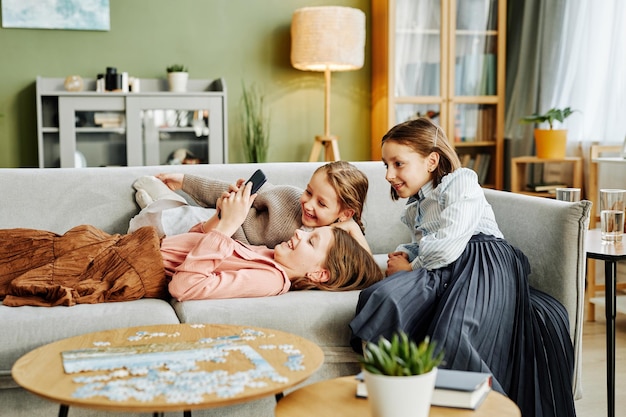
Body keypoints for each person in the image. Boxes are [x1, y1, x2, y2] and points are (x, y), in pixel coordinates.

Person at [349, 118, 576, 417]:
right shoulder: (416, 206)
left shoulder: (460, 181)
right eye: (385, 165)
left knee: (454, 339)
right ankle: (397, 397)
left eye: (398, 164)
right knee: (381, 298)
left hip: (483, 260)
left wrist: (412, 267)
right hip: (444, 268)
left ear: (432, 160)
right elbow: (428, 243)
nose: (389, 174)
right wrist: (405, 254)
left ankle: (489, 409)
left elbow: (447, 243)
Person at [0, 182, 384, 307]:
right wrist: (220, 218)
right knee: (33, 244)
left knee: (29, 265)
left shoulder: (270, 280)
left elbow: (185, 287)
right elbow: (197, 243)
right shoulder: (267, 254)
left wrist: (226, 229)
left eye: (311, 240)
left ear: (318, 272)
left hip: (136, 267)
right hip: (132, 246)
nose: (298, 232)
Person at [129, 161, 371, 252]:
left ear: (345, 213)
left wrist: (352, 228)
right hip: (219, 223)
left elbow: (367, 269)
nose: (307, 203)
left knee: (168, 227)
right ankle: (156, 200)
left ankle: (154, 203)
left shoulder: (330, 242)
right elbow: (233, 194)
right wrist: (184, 180)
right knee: (171, 220)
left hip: (221, 244)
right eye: (309, 191)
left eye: (321, 203)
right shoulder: (288, 197)